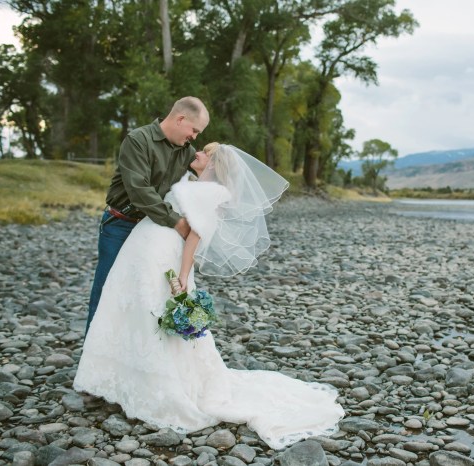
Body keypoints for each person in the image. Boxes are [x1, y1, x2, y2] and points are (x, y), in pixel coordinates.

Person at [74, 143, 344, 450]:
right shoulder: (191, 183)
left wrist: (183, 277)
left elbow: (195, 237)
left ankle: (156, 385)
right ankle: (119, 377)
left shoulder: (212, 194)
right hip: (143, 248)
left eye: (203, 152)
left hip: (164, 256)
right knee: (132, 309)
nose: (196, 154)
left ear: (213, 164)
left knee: (153, 314)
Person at [86, 96, 210, 335]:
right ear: (180, 118)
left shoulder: (187, 151)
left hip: (152, 232)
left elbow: (206, 174)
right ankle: (91, 355)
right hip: (120, 226)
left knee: (143, 293)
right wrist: (179, 223)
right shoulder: (138, 140)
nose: (195, 137)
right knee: (107, 290)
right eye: (194, 130)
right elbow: (140, 192)